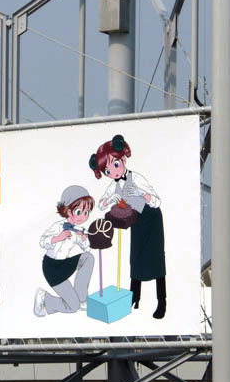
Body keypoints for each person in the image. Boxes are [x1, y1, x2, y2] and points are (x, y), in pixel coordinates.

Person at [90, 134, 167, 319]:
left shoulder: (136, 178)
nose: (113, 172)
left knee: (156, 261)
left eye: (115, 165)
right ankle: (134, 297)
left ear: (123, 159)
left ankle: (162, 302)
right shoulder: (114, 185)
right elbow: (101, 204)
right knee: (136, 259)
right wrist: (111, 199)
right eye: (108, 171)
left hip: (151, 219)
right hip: (136, 222)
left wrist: (143, 195)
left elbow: (156, 200)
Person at [34, 186, 96, 316]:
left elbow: (87, 248)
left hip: (65, 264)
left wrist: (85, 239)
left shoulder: (78, 230)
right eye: (79, 212)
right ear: (68, 211)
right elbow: (42, 241)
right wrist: (57, 238)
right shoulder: (58, 226)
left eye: (86, 213)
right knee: (73, 307)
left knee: (88, 257)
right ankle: (45, 298)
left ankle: (82, 297)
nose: (83, 217)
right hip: (52, 268)